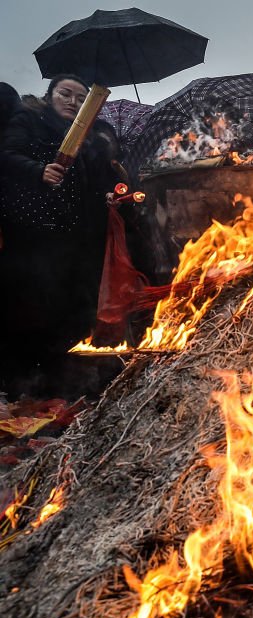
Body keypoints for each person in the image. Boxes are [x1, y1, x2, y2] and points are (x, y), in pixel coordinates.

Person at [0, 74, 119, 395]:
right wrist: (37, 170)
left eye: (80, 99)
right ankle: (16, 382)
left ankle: (55, 382)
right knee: (28, 305)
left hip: (70, 236)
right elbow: (6, 155)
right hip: (29, 233)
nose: (72, 101)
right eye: (65, 93)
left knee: (66, 306)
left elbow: (93, 181)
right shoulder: (29, 119)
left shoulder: (87, 135)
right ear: (50, 95)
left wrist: (106, 195)